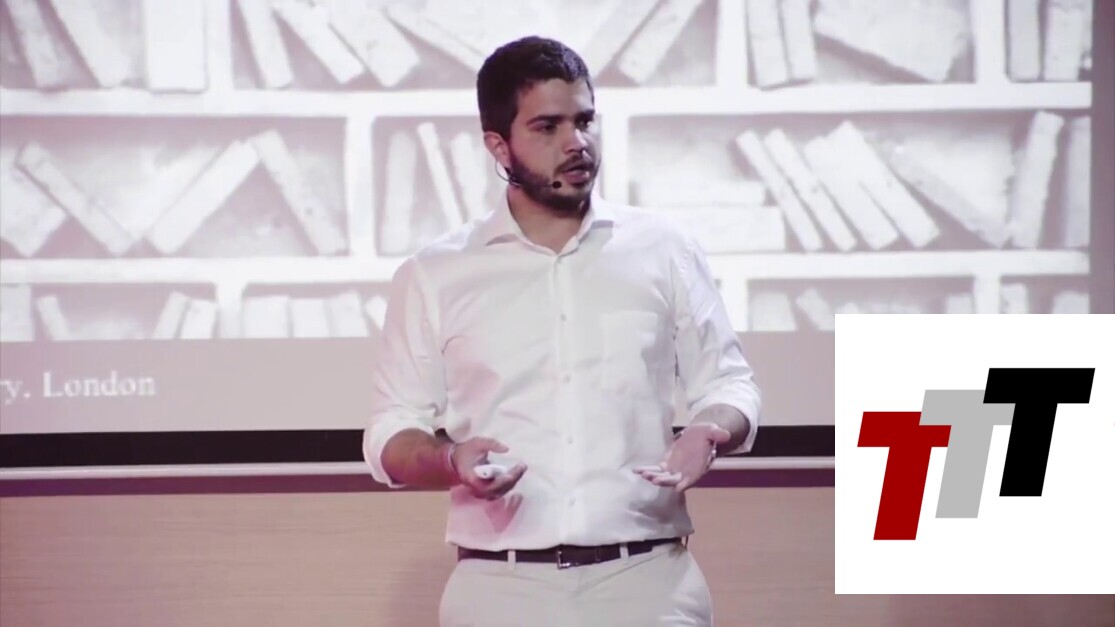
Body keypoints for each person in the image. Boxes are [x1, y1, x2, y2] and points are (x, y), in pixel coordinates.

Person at [363, 36, 761, 627]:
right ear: (498, 145)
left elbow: (730, 384)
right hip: (499, 589)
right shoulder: (436, 273)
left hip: (648, 583)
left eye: (584, 120)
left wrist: (708, 430)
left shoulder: (663, 248)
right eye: (547, 127)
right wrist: (450, 460)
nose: (576, 143)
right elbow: (390, 432)